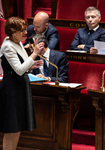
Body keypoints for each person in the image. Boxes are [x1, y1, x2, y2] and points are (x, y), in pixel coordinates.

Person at [0, 17, 43, 150]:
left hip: (21, 87)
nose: (26, 33)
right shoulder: (7, 45)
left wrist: (32, 66)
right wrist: (34, 54)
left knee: (17, 127)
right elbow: (18, 70)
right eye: (22, 30)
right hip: (12, 88)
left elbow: (22, 65)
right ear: (12, 32)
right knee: (11, 128)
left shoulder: (18, 42)